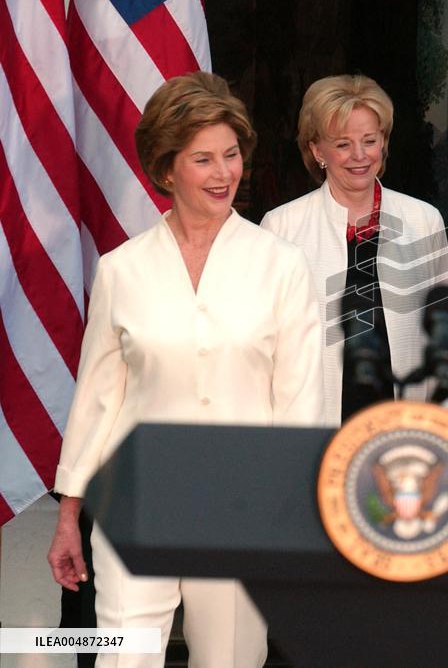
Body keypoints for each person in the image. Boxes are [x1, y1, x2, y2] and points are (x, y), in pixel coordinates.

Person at [47, 72, 324, 667]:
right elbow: (97, 400)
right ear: (167, 170)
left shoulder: (282, 266)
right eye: (204, 159)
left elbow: (301, 403)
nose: (225, 173)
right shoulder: (122, 269)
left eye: (231, 155)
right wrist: (69, 514)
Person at [261, 74, 448, 423]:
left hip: (403, 420)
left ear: (383, 142)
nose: (359, 156)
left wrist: (443, 415)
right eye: (342, 144)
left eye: (369, 140)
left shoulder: (422, 220)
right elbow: (266, 342)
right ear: (316, 150)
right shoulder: (282, 226)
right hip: (311, 422)